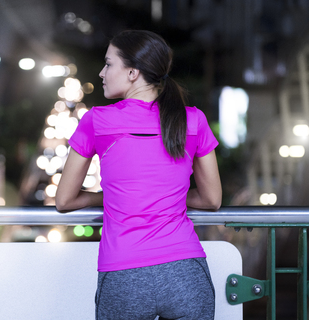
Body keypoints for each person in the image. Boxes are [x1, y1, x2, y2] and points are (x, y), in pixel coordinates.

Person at [55, 30, 222, 320]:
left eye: (109, 64)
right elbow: (211, 200)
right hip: (186, 270)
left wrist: (114, 199)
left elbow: (64, 201)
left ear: (132, 72)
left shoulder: (97, 120)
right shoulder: (193, 119)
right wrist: (165, 196)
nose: (102, 72)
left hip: (124, 273)